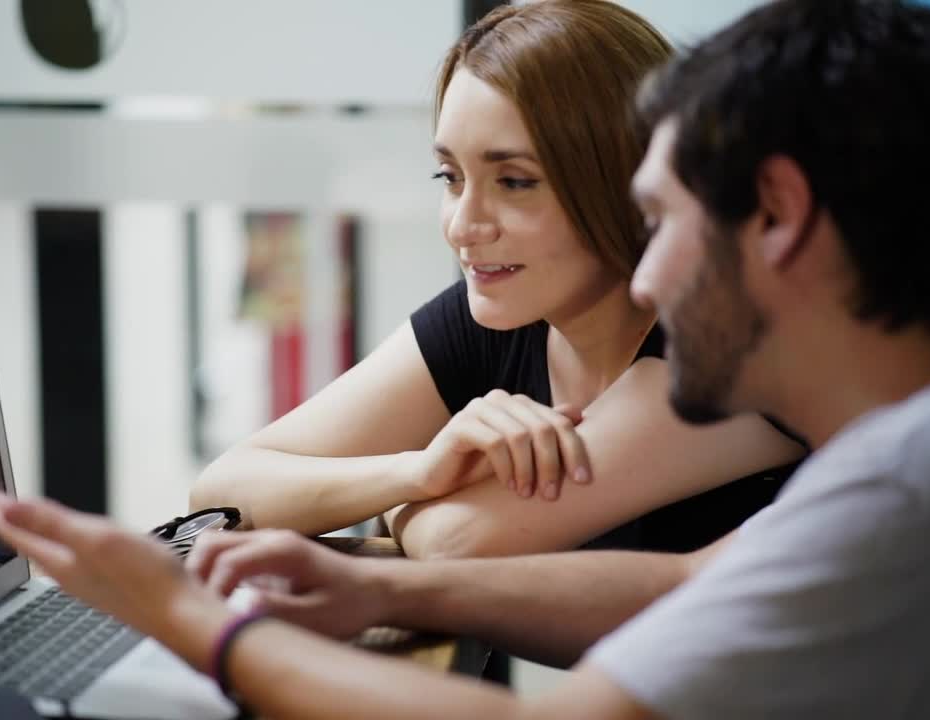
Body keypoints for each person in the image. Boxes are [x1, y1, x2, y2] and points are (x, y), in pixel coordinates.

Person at [0, 0, 930, 716]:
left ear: (778, 217)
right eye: (447, 177)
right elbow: (688, 583)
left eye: (663, 221)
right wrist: (387, 590)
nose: (648, 278)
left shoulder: (922, 486)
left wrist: (183, 616)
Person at [190, 0, 805, 560]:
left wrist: (399, 507)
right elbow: (220, 497)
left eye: (514, 182)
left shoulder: (711, 346)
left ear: (626, 180)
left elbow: (458, 541)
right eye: (450, 178)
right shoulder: (496, 311)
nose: (464, 225)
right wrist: (418, 473)